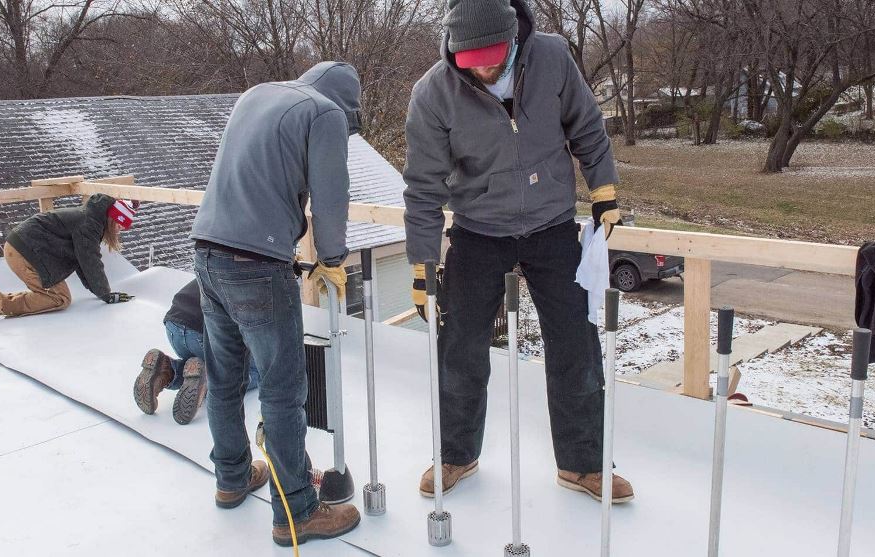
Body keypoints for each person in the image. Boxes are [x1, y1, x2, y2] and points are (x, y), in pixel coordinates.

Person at [402, 0, 635, 504]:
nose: (484, 69)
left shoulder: (552, 58)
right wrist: (423, 266)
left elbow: (588, 129)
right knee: (460, 346)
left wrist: (604, 191)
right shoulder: (433, 92)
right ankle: (455, 453)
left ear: (514, 37)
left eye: (492, 56)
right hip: (478, 230)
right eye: (471, 61)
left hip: (551, 224)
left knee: (576, 342)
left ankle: (584, 464)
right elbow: (423, 189)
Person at [189, 61, 362, 545]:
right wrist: (331, 257)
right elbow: (332, 196)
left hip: (207, 251)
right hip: (257, 263)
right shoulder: (325, 113)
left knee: (224, 377)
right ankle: (298, 513)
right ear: (346, 104)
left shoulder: (256, 93)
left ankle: (232, 478)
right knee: (283, 390)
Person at [0, 194, 136, 321]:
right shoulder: (89, 226)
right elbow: (90, 260)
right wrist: (106, 294)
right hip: (24, 252)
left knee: (58, 295)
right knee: (59, 298)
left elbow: (82, 261)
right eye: (120, 224)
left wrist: (99, 292)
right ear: (113, 219)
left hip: (24, 247)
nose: (119, 230)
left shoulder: (90, 219)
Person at [133, 279, 262, 425]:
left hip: (174, 326)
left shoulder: (219, 260)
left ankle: (167, 369)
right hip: (205, 335)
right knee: (259, 369)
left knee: (199, 362)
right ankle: (208, 377)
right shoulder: (266, 279)